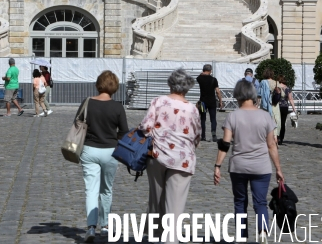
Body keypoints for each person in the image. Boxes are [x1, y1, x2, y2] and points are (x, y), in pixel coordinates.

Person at [214, 79, 285, 244]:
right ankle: (262, 231)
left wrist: (217, 166)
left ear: (237, 95)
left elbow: (224, 144)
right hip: (261, 167)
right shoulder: (265, 116)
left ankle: (241, 235)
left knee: (240, 202)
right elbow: (271, 145)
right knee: (260, 202)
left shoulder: (232, 116)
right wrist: (278, 169)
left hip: (238, 166)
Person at [140, 69, 201, 244]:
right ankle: (170, 239)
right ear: (187, 88)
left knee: (156, 200)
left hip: (157, 154)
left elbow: (146, 126)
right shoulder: (192, 109)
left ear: (170, 84)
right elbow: (197, 135)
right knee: (175, 206)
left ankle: (155, 235)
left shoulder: (158, 102)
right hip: (182, 159)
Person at [78, 70, 128, 242]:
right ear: (115, 87)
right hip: (110, 151)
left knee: (90, 190)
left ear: (98, 84)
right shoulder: (118, 107)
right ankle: (105, 225)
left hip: (89, 149)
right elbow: (124, 132)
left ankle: (91, 227)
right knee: (106, 189)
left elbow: (77, 123)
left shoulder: (87, 102)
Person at [196, 64, 223, 142]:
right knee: (213, 118)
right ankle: (214, 135)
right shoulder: (214, 80)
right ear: (210, 71)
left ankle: (203, 136)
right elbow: (218, 91)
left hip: (203, 101)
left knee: (203, 119)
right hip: (212, 101)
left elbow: (198, 77)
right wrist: (220, 101)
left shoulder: (199, 78)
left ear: (203, 70)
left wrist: (202, 73)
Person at [259, 68, 279, 141]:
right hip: (274, 105)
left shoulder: (262, 82)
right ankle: (275, 138)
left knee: (264, 122)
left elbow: (259, 94)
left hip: (265, 105)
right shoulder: (276, 82)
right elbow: (282, 94)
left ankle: (265, 138)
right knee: (274, 122)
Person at [277, 75, 297, 145]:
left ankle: (277, 136)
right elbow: (290, 98)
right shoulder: (287, 88)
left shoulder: (276, 87)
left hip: (277, 106)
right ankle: (281, 138)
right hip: (285, 107)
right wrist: (293, 107)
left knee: (276, 122)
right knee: (283, 123)